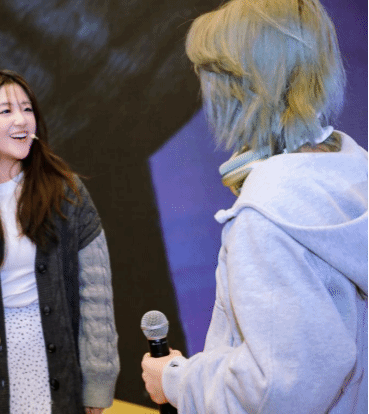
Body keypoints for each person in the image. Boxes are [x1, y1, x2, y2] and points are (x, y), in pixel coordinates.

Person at [141, 0, 368, 413]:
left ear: (239, 87)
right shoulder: (352, 171)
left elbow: (277, 391)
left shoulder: (266, 215)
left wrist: (175, 379)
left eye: (209, 74)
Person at [0, 69, 119, 414]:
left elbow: (96, 294)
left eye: (27, 109)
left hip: (55, 363)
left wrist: (97, 384)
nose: (22, 120)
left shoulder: (66, 191)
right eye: (6, 111)